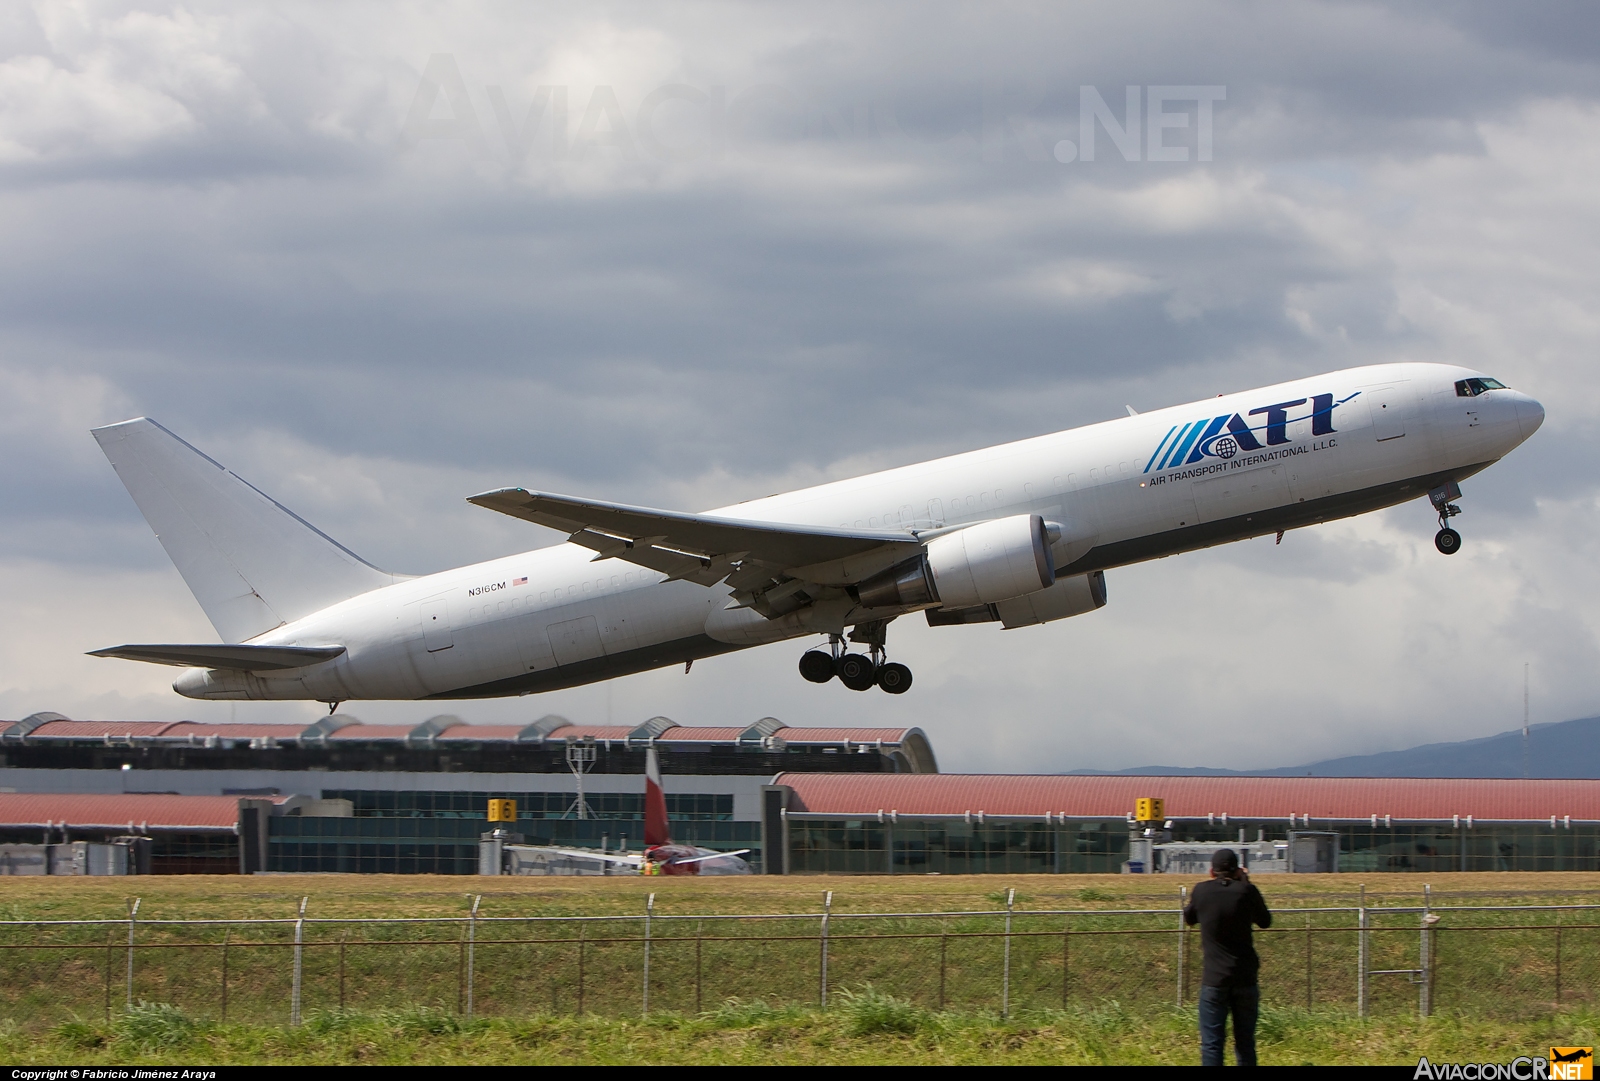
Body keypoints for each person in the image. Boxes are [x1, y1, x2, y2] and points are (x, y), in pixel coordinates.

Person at [1182, 847, 1273, 1066]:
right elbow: (1265, 921)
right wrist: (1246, 882)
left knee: (1212, 1043)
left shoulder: (1202, 891)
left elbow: (1189, 918)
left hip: (1214, 978)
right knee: (1245, 1042)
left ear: (1212, 871)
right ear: (1237, 870)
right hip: (1244, 976)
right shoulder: (1246, 892)